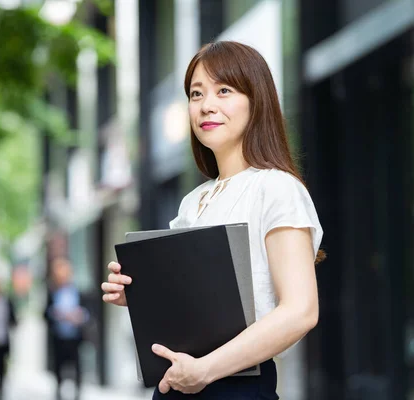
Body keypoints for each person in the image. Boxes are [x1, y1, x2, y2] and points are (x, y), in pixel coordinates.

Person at [101, 41, 325, 399]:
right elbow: (192, 305)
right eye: (196, 93)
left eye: (224, 90)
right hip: (176, 383)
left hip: (235, 386)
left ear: (256, 100)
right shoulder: (193, 202)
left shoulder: (276, 188)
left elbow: (301, 311)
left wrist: (206, 370)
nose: (207, 105)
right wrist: (140, 292)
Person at [44, 257, 91, 400]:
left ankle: (77, 394)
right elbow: (45, 313)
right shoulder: (52, 293)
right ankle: (58, 393)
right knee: (59, 369)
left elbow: (88, 313)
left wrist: (79, 316)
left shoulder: (79, 291)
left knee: (77, 368)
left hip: (75, 337)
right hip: (59, 337)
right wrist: (56, 314)